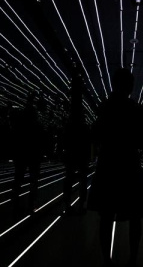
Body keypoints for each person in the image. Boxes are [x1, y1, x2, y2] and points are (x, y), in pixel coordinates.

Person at [88, 68, 143, 266]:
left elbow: (94, 135)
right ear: (129, 86)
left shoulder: (104, 107)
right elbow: (141, 140)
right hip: (129, 163)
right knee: (135, 214)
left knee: (106, 214)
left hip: (109, 163)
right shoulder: (136, 109)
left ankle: (107, 259)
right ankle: (133, 258)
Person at [10, 92, 43, 213]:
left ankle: (15, 204)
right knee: (33, 180)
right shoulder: (36, 125)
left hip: (22, 153)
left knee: (18, 178)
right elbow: (40, 140)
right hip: (33, 154)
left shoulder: (21, 124)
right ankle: (31, 204)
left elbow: (15, 137)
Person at [63, 76, 90, 214]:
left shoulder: (70, 123)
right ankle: (80, 205)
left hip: (72, 150)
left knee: (69, 177)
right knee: (82, 179)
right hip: (81, 152)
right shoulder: (82, 125)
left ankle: (68, 204)